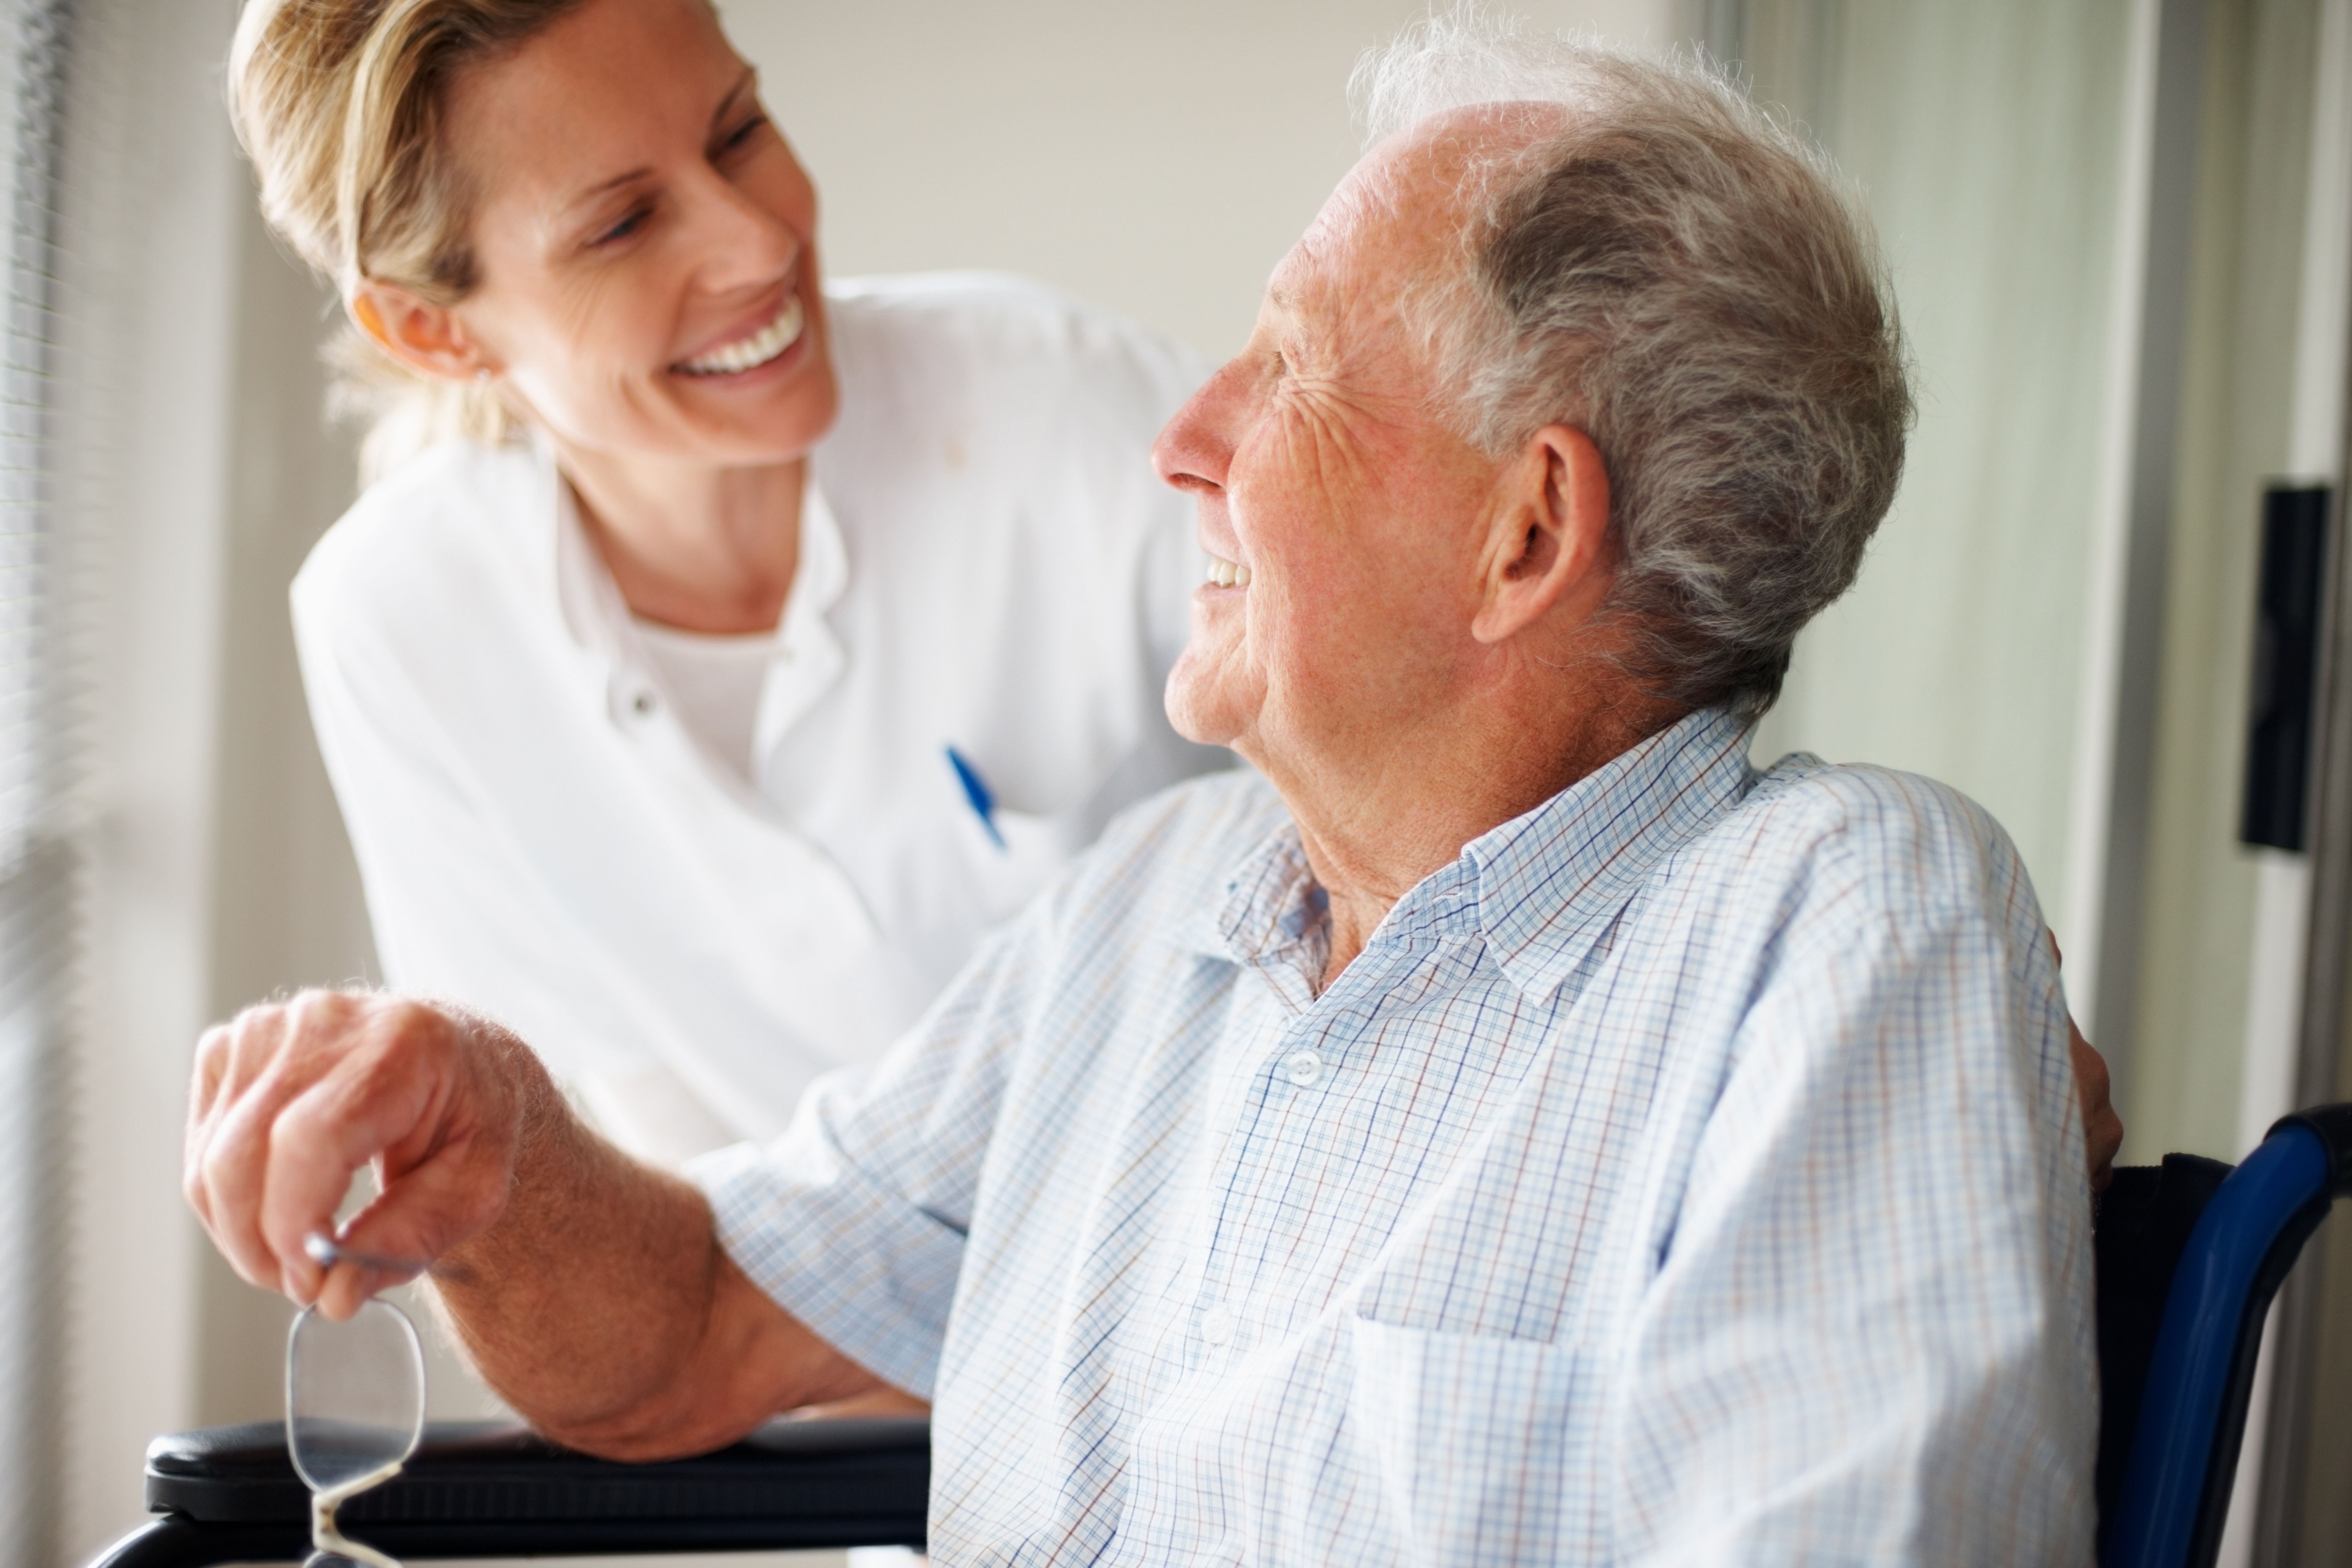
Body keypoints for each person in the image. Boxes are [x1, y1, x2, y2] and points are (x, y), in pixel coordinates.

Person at [188, 20, 2105, 1561]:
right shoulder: (1149, 908)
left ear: (1527, 532)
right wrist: (496, 1146)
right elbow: (689, 1327)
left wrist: (1970, 1035)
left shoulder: (1837, 929)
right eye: (620, 219)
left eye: (1286, 375)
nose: (1181, 438)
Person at [231, 0, 1224, 1163]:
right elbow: (638, 1154)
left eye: (739, 129)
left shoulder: (1064, 404)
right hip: (825, 1314)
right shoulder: (399, 624)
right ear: (432, 331)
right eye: (624, 224)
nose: (760, 243)